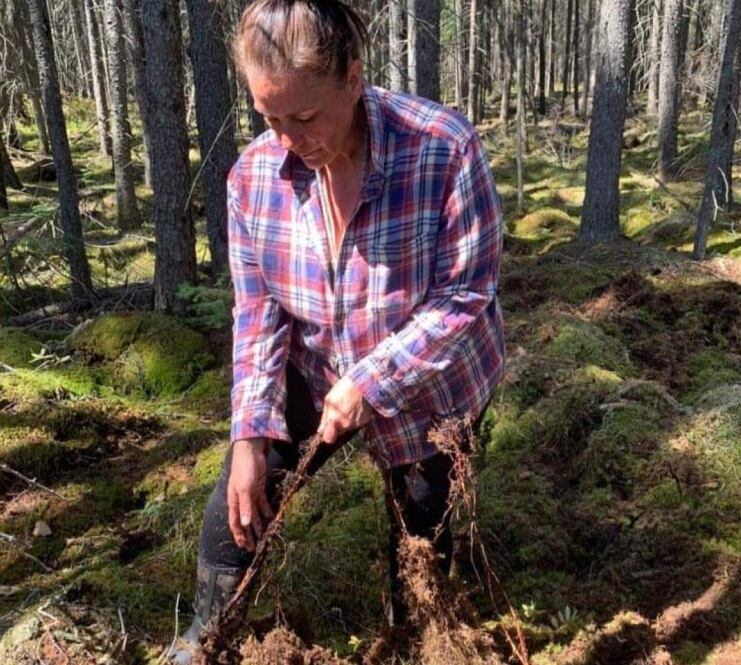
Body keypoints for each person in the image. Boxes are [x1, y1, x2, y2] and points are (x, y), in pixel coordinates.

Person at [172, 0, 505, 661]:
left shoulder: (442, 150)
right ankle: (202, 643)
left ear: (352, 79)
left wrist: (372, 379)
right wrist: (249, 433)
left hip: (431, 387)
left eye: (304, 116)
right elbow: (258, 314)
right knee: (238, 503)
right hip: (315, 368)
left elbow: (466, 293)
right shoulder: (253, 178)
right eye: (270, 118)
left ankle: (415, 638)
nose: (290, 138)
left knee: (420, 540)